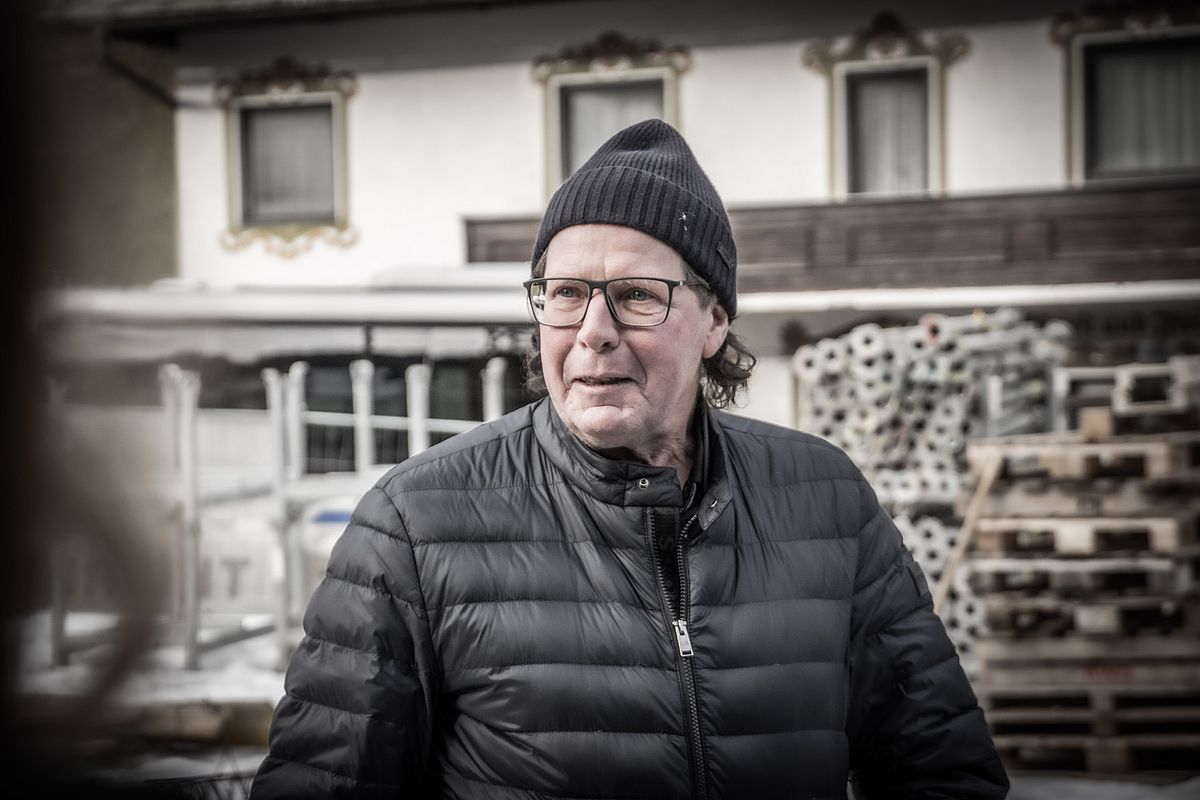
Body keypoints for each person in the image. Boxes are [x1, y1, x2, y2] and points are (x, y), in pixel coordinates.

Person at [250, 119, 1009, 799]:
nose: (593, 330)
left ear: (714, 321)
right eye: (565, 293)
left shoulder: (826, 499)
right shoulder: (414, 524)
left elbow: (940, 768)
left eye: (638, 295)